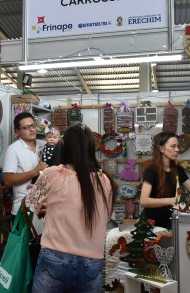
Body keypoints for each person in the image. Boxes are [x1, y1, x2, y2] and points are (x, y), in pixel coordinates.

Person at [24, 123, 117, 293]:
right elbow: (106, 216)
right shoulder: (105, 181)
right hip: (92, 261)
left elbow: (30, 204)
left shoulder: (53, 174)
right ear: (91, 148)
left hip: (55, 258)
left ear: (64, 145)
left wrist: (46, 209)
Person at [3, 112, 48, 220]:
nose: (32, 130)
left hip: (45, 206)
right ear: (17, 131)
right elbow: (7, 180)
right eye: (26, 127)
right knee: (24, 237)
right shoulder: (13, 149)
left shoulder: (44, 145)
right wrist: (35, 171)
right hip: (23, 208)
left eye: (33, 126)